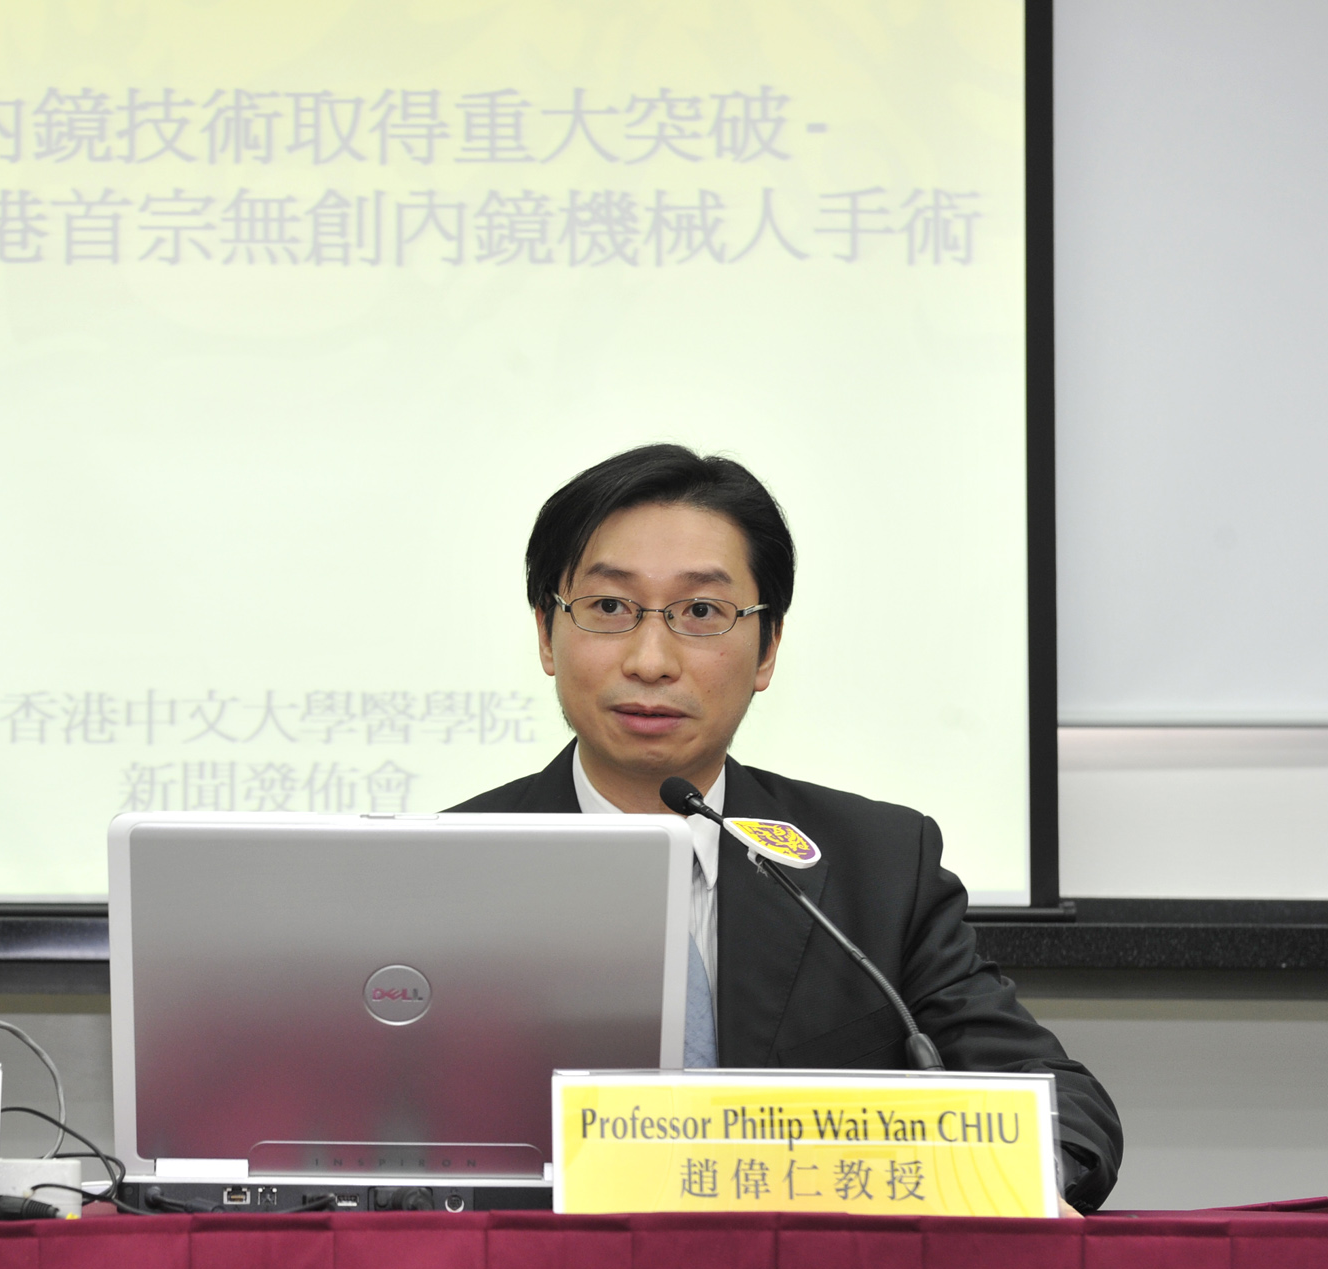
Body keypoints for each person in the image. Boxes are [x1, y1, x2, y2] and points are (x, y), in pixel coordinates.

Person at [450, 444, 1122, 1211]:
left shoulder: (878, 867)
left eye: (701, 613)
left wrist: (1034, 1185)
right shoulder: (444, 870)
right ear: (547, 633)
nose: (651, 659)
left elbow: (1060, 1106)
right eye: (609, 609)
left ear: (767, 650)